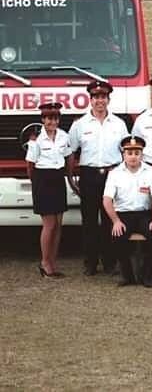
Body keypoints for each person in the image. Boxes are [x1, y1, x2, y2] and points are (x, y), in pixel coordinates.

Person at [68, 80, 128, 276]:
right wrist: (71, 178)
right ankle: (90, 262)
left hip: (111, 175)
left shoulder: (119, 124)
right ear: (90, 100)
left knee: (110, 220)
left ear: (108, 99)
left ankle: (110, 261)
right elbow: (71, 152)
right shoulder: (80, 125)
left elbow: (126, 152)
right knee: (89, 221)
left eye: (103, 97)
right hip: (88, 175)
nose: (99, 101)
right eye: (95, 97)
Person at [102, 136, 152, 287]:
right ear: (123, 155)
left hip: (144, 214)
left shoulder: (150, 171)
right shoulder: (114, 173)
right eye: (129, 153)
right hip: (123, 215)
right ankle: (127, 276)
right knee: (117, 235)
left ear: (142, 154)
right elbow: (107, 200)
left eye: (137, 153)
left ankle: (147, 275)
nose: (133, 156)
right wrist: (115, 221)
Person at [26, 102, 72, 278]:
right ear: (43, 120)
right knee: (49, 224)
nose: (52, 122)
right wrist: (37, 185)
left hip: (58, 179)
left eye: (55, 118)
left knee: (59, 224)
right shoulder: (35, 140)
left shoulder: (63, 136)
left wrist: (70, 179)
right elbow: (30, 166)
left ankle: (53, 261)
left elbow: (68, 157)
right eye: (48, 118)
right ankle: (44, 263)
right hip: (42, 180)